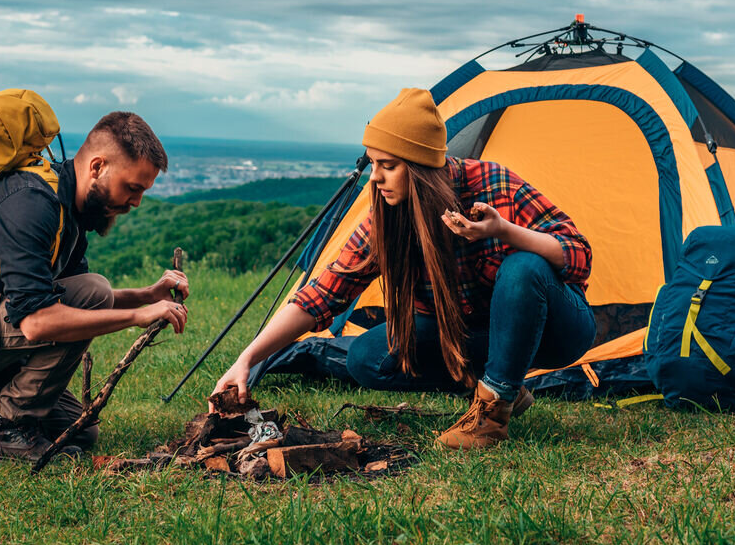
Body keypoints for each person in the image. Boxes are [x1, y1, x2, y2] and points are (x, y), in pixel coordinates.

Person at [214, 88, 595, 450]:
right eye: (372, 164)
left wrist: (504, 231)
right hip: (470, 335)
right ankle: (497, 384)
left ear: (421, 168)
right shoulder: (387, 219)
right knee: (367, 357)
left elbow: (579, 255)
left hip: (557, 331)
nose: (375, 178)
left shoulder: (492, 184)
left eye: (388, 165)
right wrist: (246, 360)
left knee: (523, 268)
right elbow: (321, 295)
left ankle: (492, 415)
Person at [0, 111, 191, 465]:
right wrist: (136, 315)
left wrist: (147, 295)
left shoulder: (70, 214)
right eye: (132, 188)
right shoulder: (32, 201)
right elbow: (38, 322)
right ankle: (9, 430)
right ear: (98, 167)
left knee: (77, 430)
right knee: (94, 291)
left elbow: (66, 301)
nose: (136, 202)